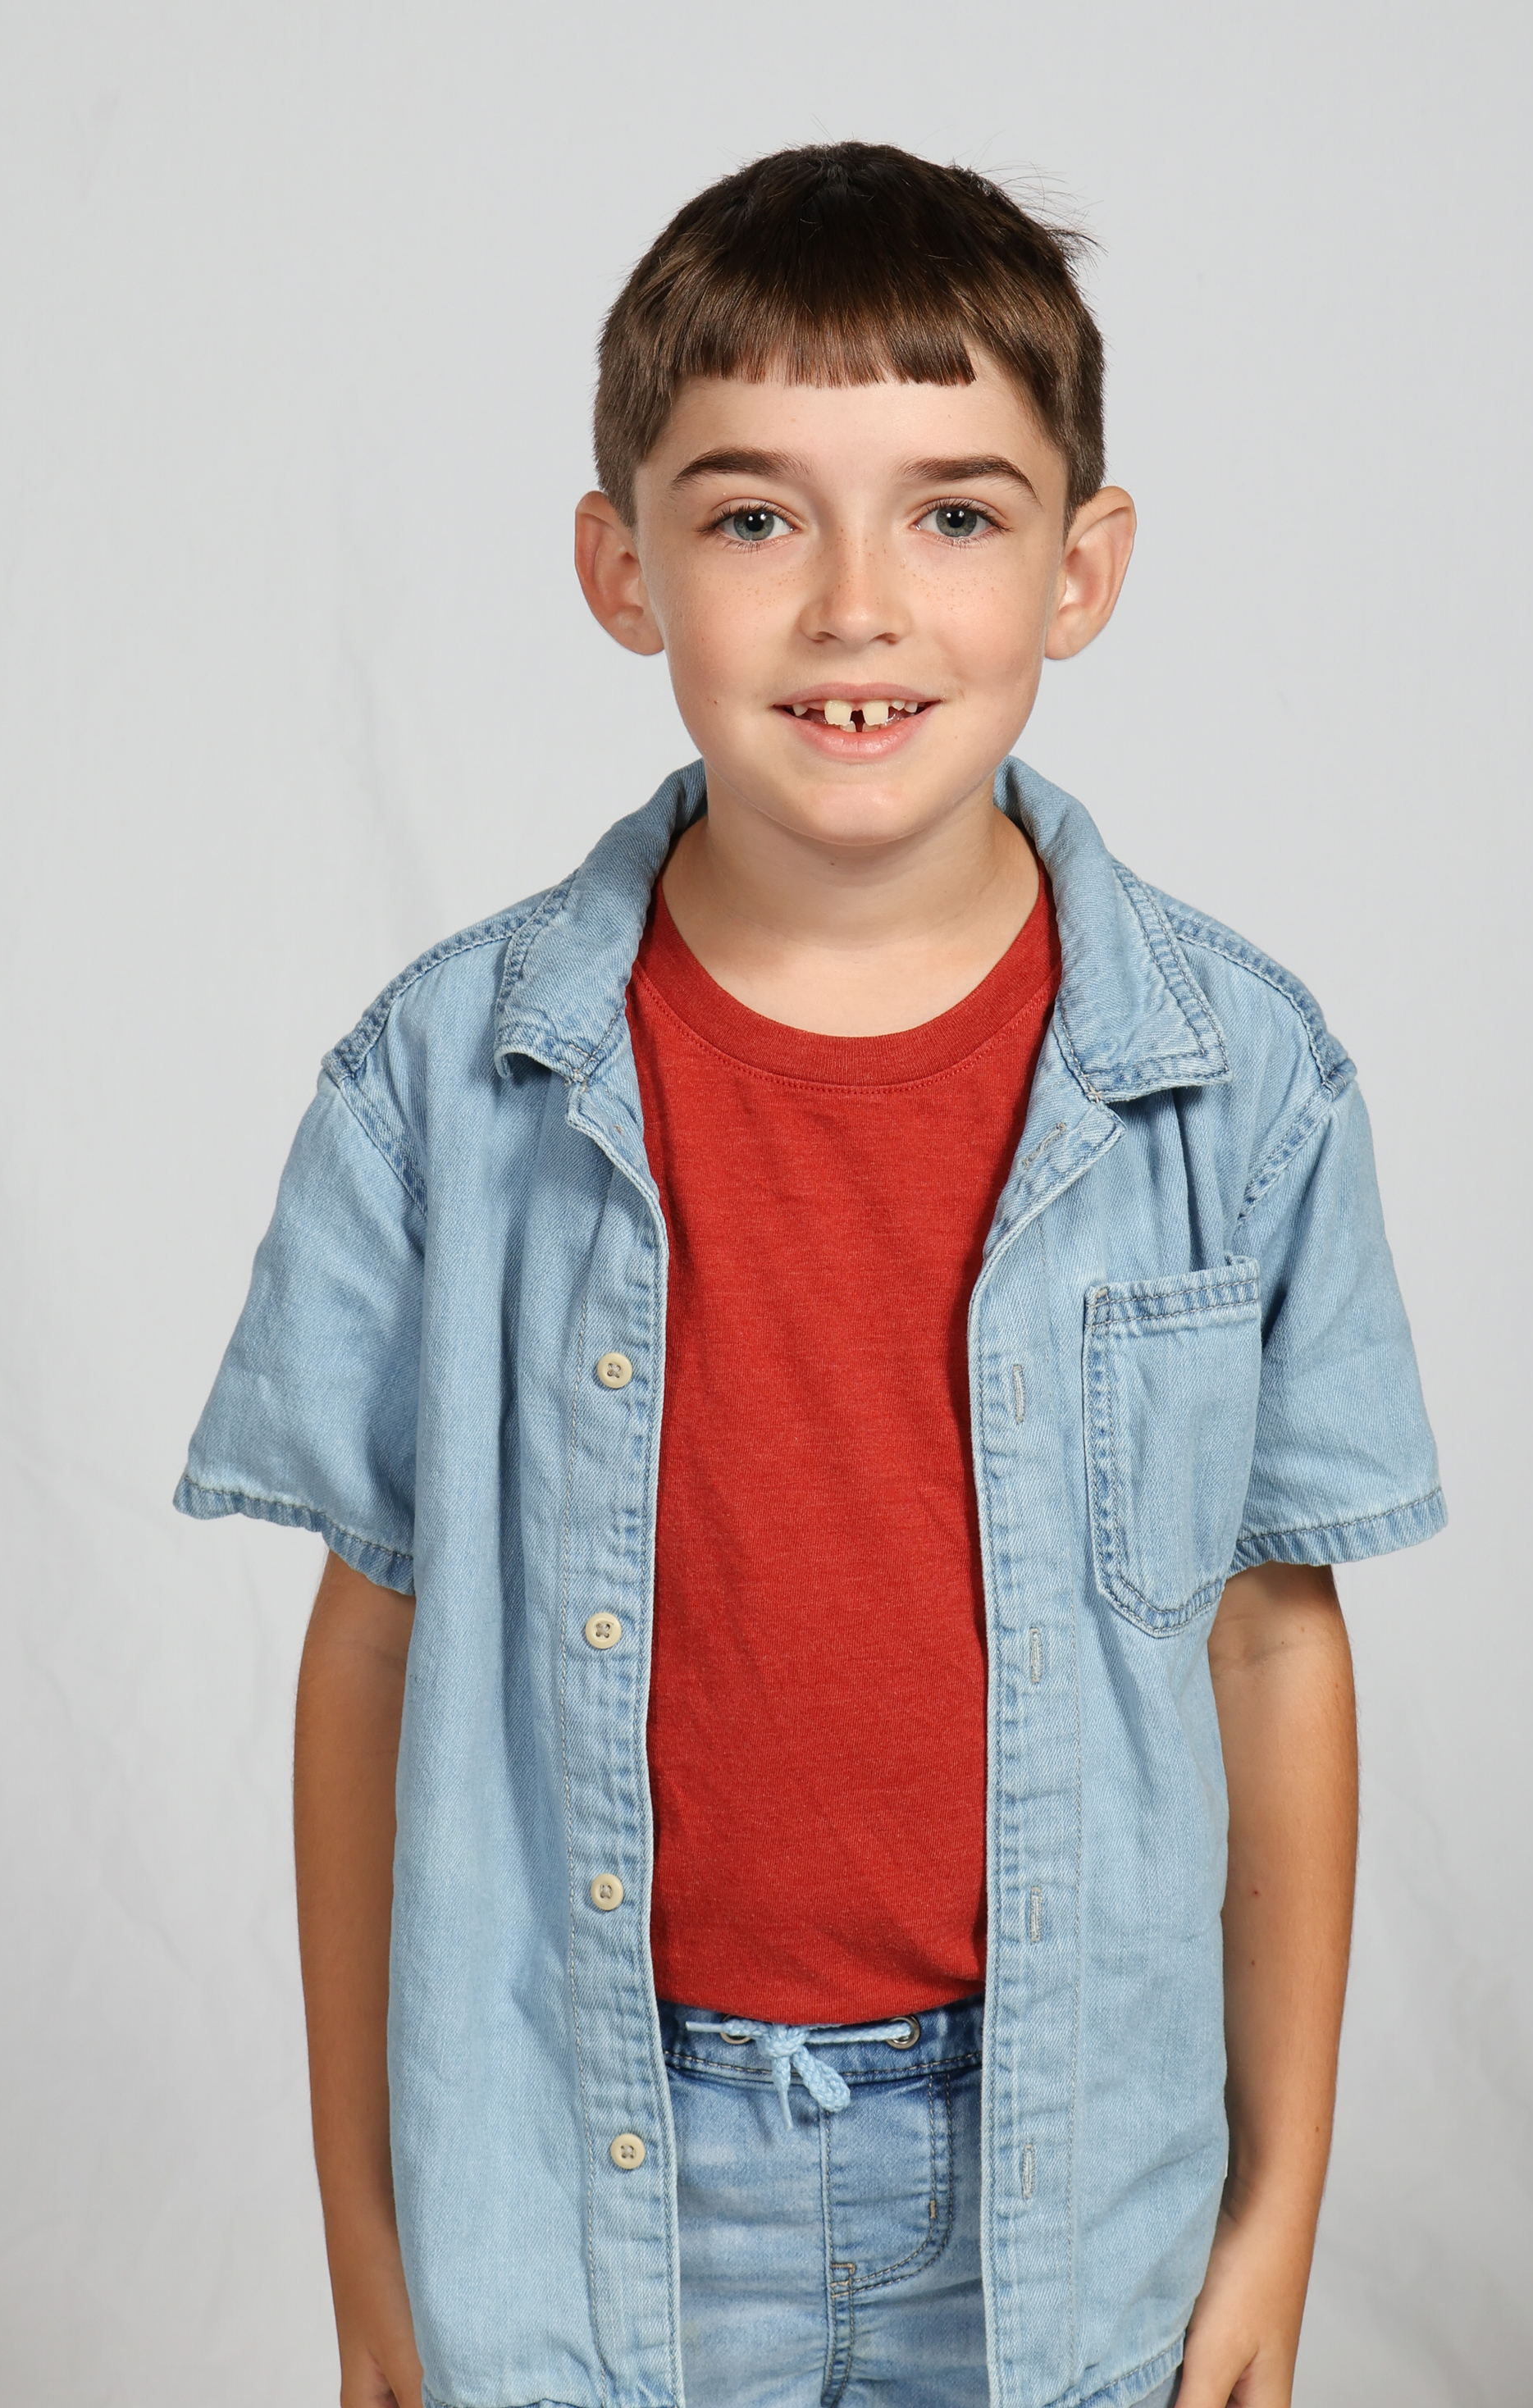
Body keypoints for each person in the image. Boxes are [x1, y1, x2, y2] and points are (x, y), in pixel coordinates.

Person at [176, 142, 1444, 2408]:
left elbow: (1273, 1640)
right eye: (757, 517)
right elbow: (368, 1653)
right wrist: (372, 2244)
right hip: (583, 2178)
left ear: (1083, 568)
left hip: (1066, 2184)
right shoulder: (443, 1085)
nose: (858, 606)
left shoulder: (1242, 1085)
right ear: (622, 566)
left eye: (953, 513)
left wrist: (1277, 2220)